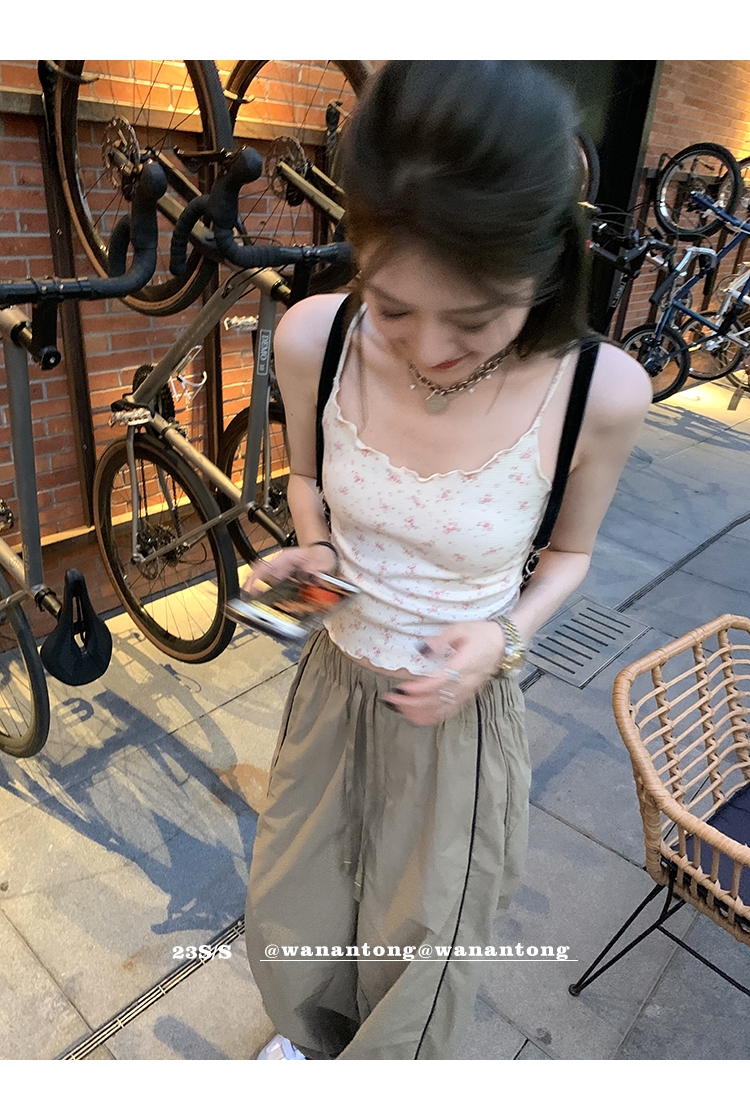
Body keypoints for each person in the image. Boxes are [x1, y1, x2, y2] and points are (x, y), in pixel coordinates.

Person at [243, 60, 652, 1060]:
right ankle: (311, 1044)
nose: (429, 349)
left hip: (456, 714)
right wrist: (311, 553)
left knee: (423, 935)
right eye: (393, 308)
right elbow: (307, 478)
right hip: (333, 682)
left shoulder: (598, 391)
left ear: (548, 266)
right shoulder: (315, 337)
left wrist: (503, 636)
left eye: (473, 320)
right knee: (295, 896)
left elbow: (570, 555)